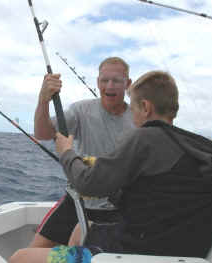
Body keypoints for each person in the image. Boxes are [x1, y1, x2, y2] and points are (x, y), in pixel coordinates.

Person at [9, 71, 212, 263]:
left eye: (133, 108)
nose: (131, 116)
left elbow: (88, 184)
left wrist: (67, 152)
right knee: (80, 230)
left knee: (21, 258)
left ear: (145, 107)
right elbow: (159, 187)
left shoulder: (146, 137)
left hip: (134, 254)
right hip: (180, 249)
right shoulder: (205, 147)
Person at [30, 57, 135, 248]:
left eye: (117, 80)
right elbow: (42, 133)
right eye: (104, 80)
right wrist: (43, 100)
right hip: (77, 200)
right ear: (97, 82)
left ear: (128, 84)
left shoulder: (138, 119)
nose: (109, 86)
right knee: (33, 253)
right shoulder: (81, 110)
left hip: (116, 209)